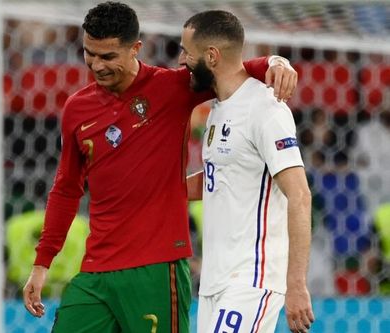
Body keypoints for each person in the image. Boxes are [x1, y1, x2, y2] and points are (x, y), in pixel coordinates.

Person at [23, 2, 298, 332]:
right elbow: (66, 189)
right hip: (96, 270)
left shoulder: (172, 88)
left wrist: (274, 62)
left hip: (157, 268)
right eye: (89, 54)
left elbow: (230, 67)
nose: (96, 65)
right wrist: (42, 264)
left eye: (108, 56)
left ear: (136, 48)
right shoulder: (77, 109)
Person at [181, 11, 314, 333]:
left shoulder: (266, 108)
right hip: (215, 283)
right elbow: (217, 181)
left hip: (252, 278)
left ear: (211, 56)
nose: (182, 60)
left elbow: (299, 194)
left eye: (187, 51)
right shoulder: (216, 110)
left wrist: (296, 283)